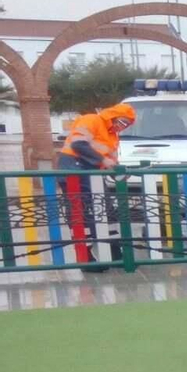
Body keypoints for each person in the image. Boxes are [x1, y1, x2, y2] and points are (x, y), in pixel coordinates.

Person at [56, 103, 136, 266]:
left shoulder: (113, 136)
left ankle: (114, 254)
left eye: (126, 124)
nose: (122, 126)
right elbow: (78, 144)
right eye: (121, 122)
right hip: (74, 168)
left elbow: (111, 160)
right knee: (81, 214)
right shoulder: (91, 120)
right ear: (112, 116)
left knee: (107, 210)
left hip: (92, 172)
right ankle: (85, 258)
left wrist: (120, 173)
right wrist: (102, 160)